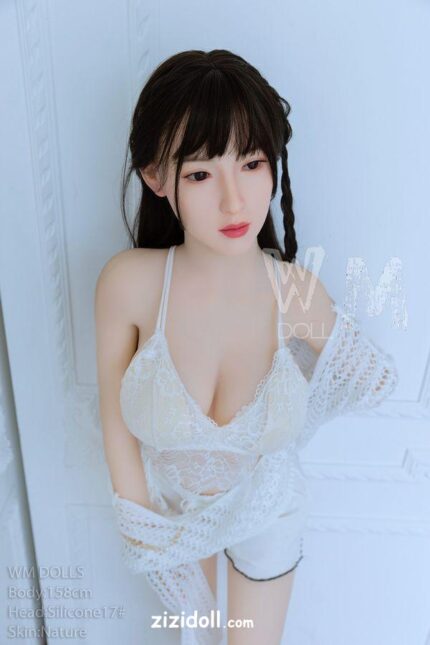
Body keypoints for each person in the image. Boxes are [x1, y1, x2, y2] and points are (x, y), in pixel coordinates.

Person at [94, 49, 398, 645]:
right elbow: (114, 425)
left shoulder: (295, 293)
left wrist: (303, 397)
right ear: (156, 178)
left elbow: (373, 378)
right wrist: (143, 530)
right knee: (192, 640)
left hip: (267, 509)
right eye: (200, 174)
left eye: (253, 163)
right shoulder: (128, 285)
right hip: (168, 517)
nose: (235, 202)